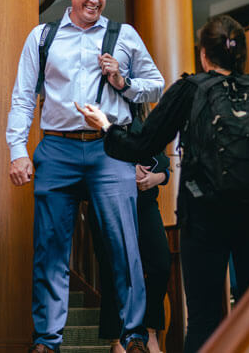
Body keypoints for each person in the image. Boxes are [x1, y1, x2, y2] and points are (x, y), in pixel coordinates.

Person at [76, 15, 249, 352]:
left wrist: (106, 126)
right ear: (241, 54)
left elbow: (141, 145)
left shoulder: (190, 89)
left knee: (205, 318)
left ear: (204, 54)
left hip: (206, 217)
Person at [7, 0, 164, 353]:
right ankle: (47, 340)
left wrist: (122, 81)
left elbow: (156, 86)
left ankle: (133, 337)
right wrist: (17, 150)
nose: (95, 0)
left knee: (124, 244)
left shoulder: (123, 35)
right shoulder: (42, 38)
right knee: (50, 247)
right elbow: (24, 98)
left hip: (108, 148)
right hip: (56, 147)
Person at [89, 104, 172, 353]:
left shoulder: (146, 118)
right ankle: (117, 340)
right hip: (107, 198)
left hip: (145, 201)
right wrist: (125, 170)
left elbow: (165, 165)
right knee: (113, 267)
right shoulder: (97, 113)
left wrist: (156, 178)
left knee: (160, 263)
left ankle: (150, 331)